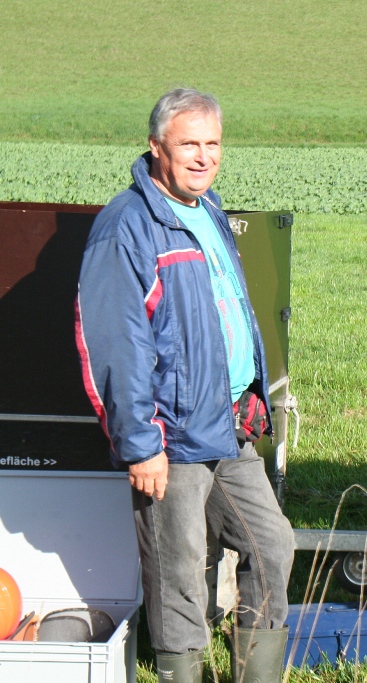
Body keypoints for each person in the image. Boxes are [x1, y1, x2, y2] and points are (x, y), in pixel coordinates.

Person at [75, 88, 294, 683]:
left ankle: (257, 674)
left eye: (213, 144)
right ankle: (179, 672)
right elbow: (114, 344)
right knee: (179, 569)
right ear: (155, 148)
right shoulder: (127, 227)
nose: (204, 157)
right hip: (171, 436)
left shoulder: (207, 207)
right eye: (189, 144)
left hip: (227, 424)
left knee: (272, 544)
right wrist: (142, 445)